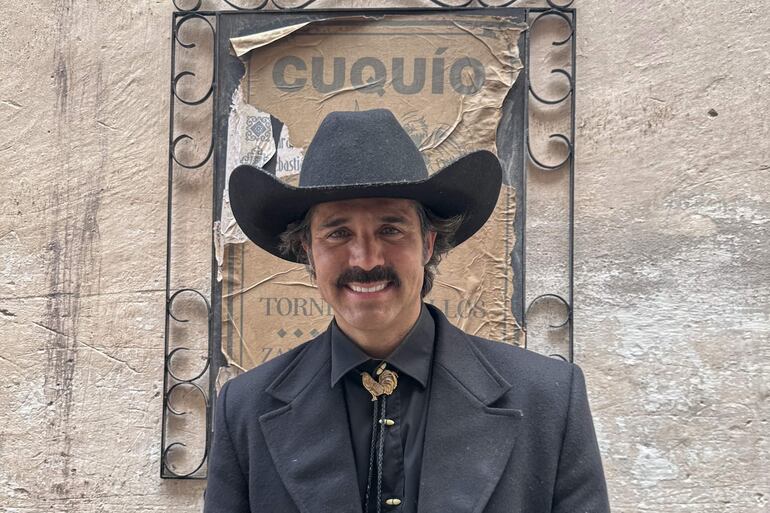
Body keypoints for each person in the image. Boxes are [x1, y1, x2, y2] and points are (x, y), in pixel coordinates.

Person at [204, 109, 610, 513]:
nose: (366, 259)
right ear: (308, 250)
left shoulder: (548, 399)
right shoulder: (244, 410)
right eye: (338, 233)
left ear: (428, 244)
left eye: (391, 230)